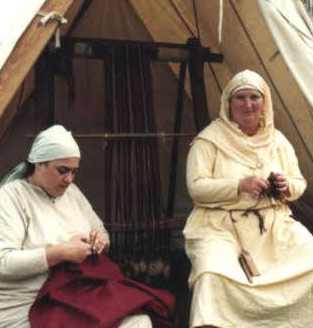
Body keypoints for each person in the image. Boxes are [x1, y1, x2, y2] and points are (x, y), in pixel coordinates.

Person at [0, 125, 174, 328]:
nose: (69, 179)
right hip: (31, 302)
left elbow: (101, 233)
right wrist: (60, 253)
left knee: (139, 321)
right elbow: (3, 262)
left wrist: (98, 242)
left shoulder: (71, 192)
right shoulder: (10, 198)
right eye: (62, 170)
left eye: (74, 172)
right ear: (39, 163)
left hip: (75, 294)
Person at [183, 69, 313, 327]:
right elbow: (196, 188)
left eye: (255, 97)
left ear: (265, 102)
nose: (248, 104)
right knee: (212, 274)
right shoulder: (209, 141)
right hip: (219, 226)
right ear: (228, 104)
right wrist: (239, 186)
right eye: (240, 98)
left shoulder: (277, 140)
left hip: (274, 224)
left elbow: (299, 182)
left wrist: (286, 186)